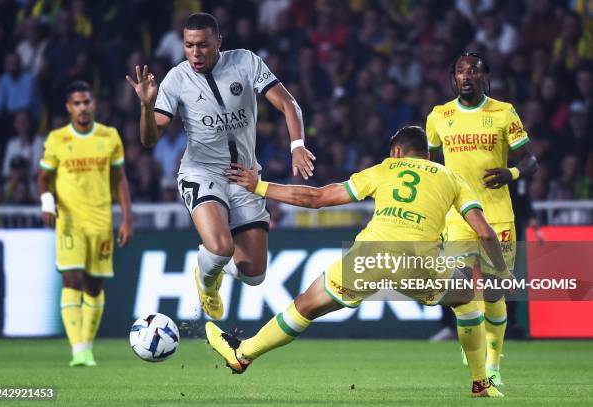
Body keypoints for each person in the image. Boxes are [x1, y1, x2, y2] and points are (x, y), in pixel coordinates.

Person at [209, 126, 510, 398]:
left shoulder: (385, 169)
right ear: (428, 155)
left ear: (396, 152)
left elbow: (318, 198)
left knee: (305, 306)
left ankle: (244, 353)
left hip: (371, 256)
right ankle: (480, 382)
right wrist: (500, 271)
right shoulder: (451, 177)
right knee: (466, 298)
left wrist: (259, 186)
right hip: (421, 261)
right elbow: (485, 233)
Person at [126, 12, 315, 319]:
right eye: (189, 46)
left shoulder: (245, 62)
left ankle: (214, 265)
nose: (195, 53)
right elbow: (149, 139)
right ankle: (206, 278)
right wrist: (147, 106)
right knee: (220, 246)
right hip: (201, 171)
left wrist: (297, 145)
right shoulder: (176, 79)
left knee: (254, 274)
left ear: (218, 43)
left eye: (202, 45)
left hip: (245, 175)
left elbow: (288, 104)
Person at [425, 52, 538, 384]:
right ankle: (472, 339)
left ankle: (493, 367)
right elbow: (429, 167)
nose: (466, 76)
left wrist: (513, 172)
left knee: (494, 292)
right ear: (453, 77)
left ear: (485, 76)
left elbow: (531, 160)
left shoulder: (504, 113)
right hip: (457, 217)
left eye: (473, 71)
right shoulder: (438, 116)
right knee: (459, 289)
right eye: (460, 71)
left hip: (498, 216)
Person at [37, 81, 133, 366]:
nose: (83, 107)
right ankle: (78, 348)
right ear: (69, 107)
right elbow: (43, 177)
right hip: (69, 220)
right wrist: (47, 203)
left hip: (101, 221)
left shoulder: (109, 136)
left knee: (93, 285)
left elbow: (119, 179)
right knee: (72, 278)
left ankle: (87, 345)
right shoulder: (57, 139)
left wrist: (127, 217)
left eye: (87, 102)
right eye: (77, 103)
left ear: (94, 105)